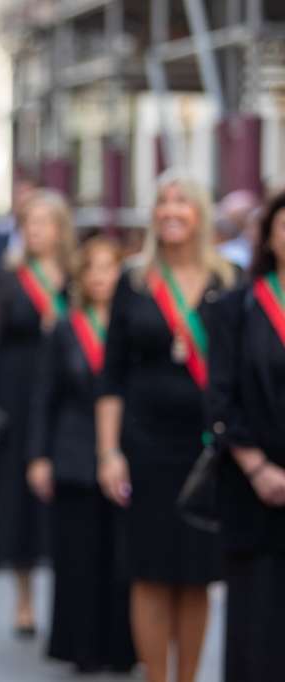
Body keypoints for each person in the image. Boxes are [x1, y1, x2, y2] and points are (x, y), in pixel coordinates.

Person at [96, 171, 235, 682]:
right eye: (162, 202)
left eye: (182, 202)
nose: (171, 210)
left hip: (208, 450)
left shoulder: (228, 281)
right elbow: (110, 377)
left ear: (200, 213)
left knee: (198, 575)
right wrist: (109, 453)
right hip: (145, 447)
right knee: (150, 574)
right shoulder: (133, 282)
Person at [0, 188, 76, 635]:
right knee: (20, 503)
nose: (37, 230)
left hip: (67, 399)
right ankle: (25, 598)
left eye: (46, 221)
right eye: (30, 222)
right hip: (17, 395)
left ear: (61, 228)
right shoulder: (9, 280)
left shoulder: (76, 276)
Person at [26, 235, 135, 673]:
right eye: (91, 269)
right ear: (81, 277)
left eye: (108, 268)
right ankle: (81, 646)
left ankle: (123, 647)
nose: (100, 277)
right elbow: (43, 396)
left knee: (121, 554)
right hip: (71, 455)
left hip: (124, 453)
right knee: (76, 556)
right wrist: (39, 456)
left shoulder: (131, 325)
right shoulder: (65, 327)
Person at [208, 189, 285, 681]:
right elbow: (219, 398)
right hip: (255, 482)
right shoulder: (237, 306)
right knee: (257, 621)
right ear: (270, 236)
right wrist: (258, 466)